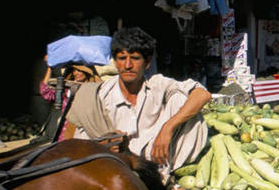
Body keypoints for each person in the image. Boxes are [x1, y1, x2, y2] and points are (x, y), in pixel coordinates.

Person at [71, 27, 211, 181]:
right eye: (122, 58)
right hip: (116, 166)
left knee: (183, 101)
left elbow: (202, 94)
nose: (128, 65)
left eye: (135, 58)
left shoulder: (158, 84)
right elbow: (78, 144)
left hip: (156, 161)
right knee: (89, 119)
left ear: (147, 62)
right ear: (115, 62)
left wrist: (167, 129)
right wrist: (103, 144)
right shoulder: (101, 95)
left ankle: (167, 174)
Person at [39, 61, 100, 141]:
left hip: (86, 132)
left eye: (79, 70)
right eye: (74, 70)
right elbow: (45, 92)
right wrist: (50, 68)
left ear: (86, 72)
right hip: (66, 133)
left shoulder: (94, 90)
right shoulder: (67, 91)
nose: (76, 73)